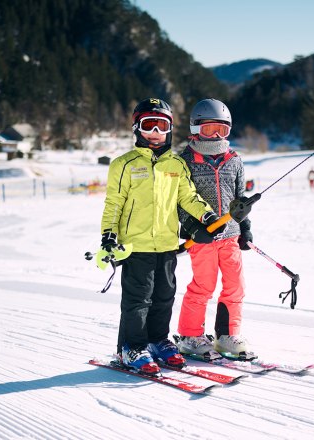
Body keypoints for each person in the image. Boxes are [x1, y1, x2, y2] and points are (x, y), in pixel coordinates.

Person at [99, 98, 220, 375]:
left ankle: (157, 341)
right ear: (137, 128)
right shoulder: (123, 164)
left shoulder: (176, 164)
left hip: (166, 244)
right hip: (136, 245)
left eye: (161, 126)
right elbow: (114, 203)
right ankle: (132, 347)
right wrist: (108, 235)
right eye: (149, 125)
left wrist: (207, 217)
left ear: (170, 129)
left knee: (164, 296)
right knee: (138, 300)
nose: (155, 132)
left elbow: (188, 197)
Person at [175, 98, 254, 359]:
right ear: (196, 129)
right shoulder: (185, 160)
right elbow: (179, 200)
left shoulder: (234, 160)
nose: (216, 136)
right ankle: (190, 336)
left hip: (230, 236)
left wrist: (245, 228)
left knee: (235, 286)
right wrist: (191, 228)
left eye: (222, 129)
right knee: (203, 285)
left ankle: (226, 335)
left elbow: (240, 199)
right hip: (203, 237)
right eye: (209, 130)